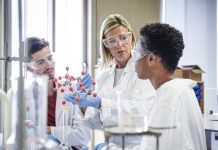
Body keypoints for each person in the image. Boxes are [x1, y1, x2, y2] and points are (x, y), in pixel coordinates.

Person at [65, 14, 156, 149]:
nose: (119, 45)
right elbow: (96, 122)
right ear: (106, 45)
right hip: (113, 146)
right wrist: (83, 103)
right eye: (112, 41)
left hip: (139, 145)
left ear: (131, 38)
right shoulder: (103, 76)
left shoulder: (143, 70)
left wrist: (101, 103)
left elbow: (141, 112)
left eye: (123, 38)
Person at [132, 23, 206, 150]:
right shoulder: (181, 90)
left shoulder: (168, 96)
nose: (134, 60)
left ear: (151, 59)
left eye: (136, 54)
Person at [23, 37, 91, 149]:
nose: (49, 65)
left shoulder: (70, 89)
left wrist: (47, 129)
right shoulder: (22, 98)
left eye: (50, 58)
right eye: (40, 62)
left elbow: (82, 135)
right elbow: (24, 138)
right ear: (28, 68)